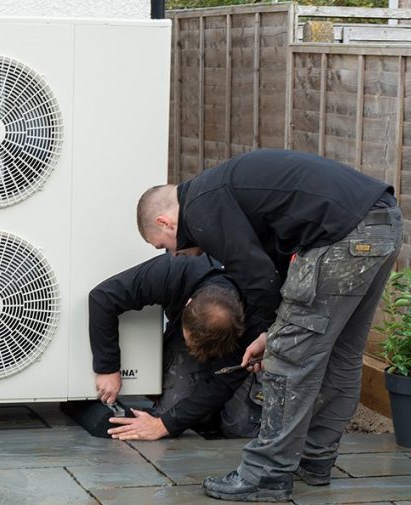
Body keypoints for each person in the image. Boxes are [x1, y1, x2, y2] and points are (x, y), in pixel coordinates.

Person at [137, 148, 403, 501]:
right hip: (382, 223)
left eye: (163, 246)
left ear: (165, 223)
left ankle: (267, 475)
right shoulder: (218, 189)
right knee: (342, 357)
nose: (172, 254)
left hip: (343, 238)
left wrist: (272, 335)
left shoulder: (200, 209)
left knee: (287, 361)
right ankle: (315, 460)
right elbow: (271, 263)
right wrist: (272, 329)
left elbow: (255, 274)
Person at [89, 252, 263, 441]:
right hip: (203, 324)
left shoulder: (253, 314)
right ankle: (206, 412)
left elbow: (222, 384)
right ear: (187, 304)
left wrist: (161, 426)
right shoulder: (173, 271)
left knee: (240, 428)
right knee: (170, 411)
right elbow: (102, 298)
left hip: (237, 349)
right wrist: (107, 367)